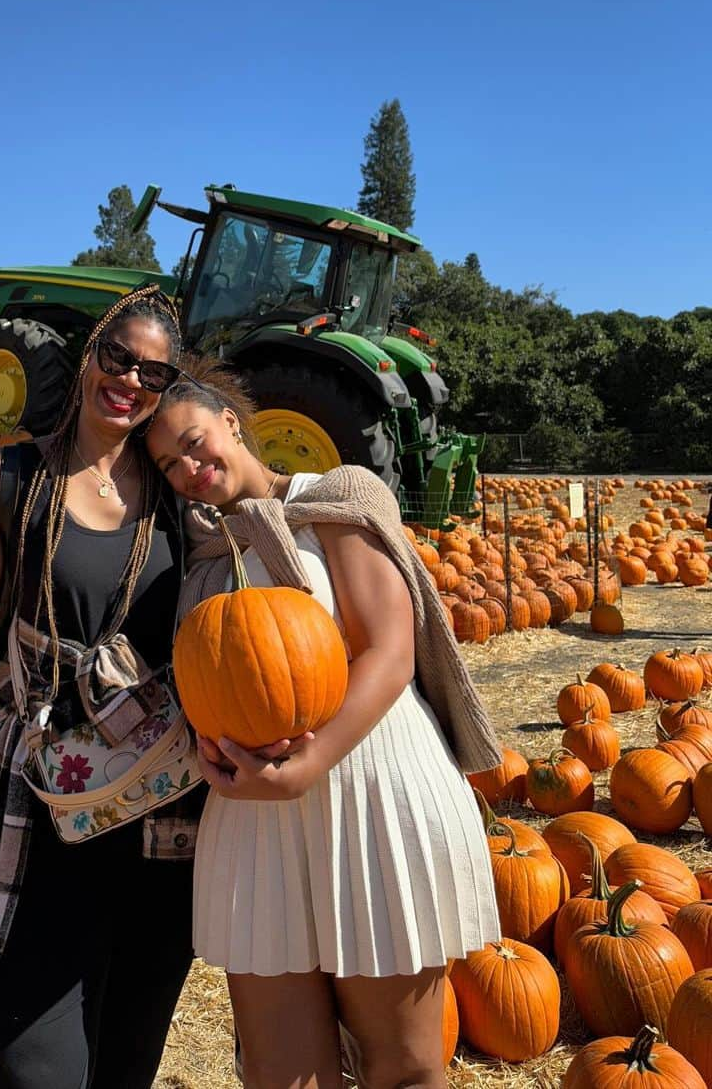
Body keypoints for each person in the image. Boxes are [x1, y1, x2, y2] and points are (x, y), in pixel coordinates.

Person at [145, 358, 502, 1089]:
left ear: (230, 423)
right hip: (255, 823)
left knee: (402, 1067)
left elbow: (389, 648)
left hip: (373, 790)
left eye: (190, 442)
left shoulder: (336, 495)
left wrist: (311, 762)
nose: (186, 467)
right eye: (166, 465)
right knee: (283, 1077)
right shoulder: (196, 556)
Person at [0, 285, 206, 1089]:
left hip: (157, 818)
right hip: (32, 804)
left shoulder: (180, 495)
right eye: (118, 359)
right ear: (89, 358)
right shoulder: (10, 479)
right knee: (26, 1060)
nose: (131, 382)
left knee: (125, 1053)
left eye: (154, 374)